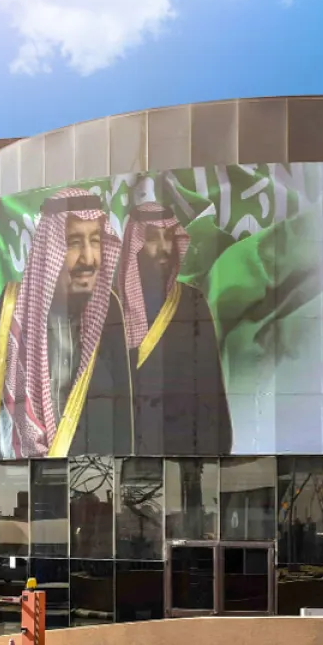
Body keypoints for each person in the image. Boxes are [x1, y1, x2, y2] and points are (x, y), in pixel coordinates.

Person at [0, 187, 132, 459]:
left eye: (95, 241)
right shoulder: (13, 310)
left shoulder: (109, 310)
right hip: (26, 473)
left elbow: (122, 416)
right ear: (49, 250)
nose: (89, 259)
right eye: (74, 242)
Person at [116, 174, 230, 455]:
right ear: (135, 245)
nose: (165, 249)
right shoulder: (111, 305)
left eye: (169, 237)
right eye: (153, 239)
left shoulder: (191, 301)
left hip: (182, 447)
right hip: (126, 449)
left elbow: (210, 388)